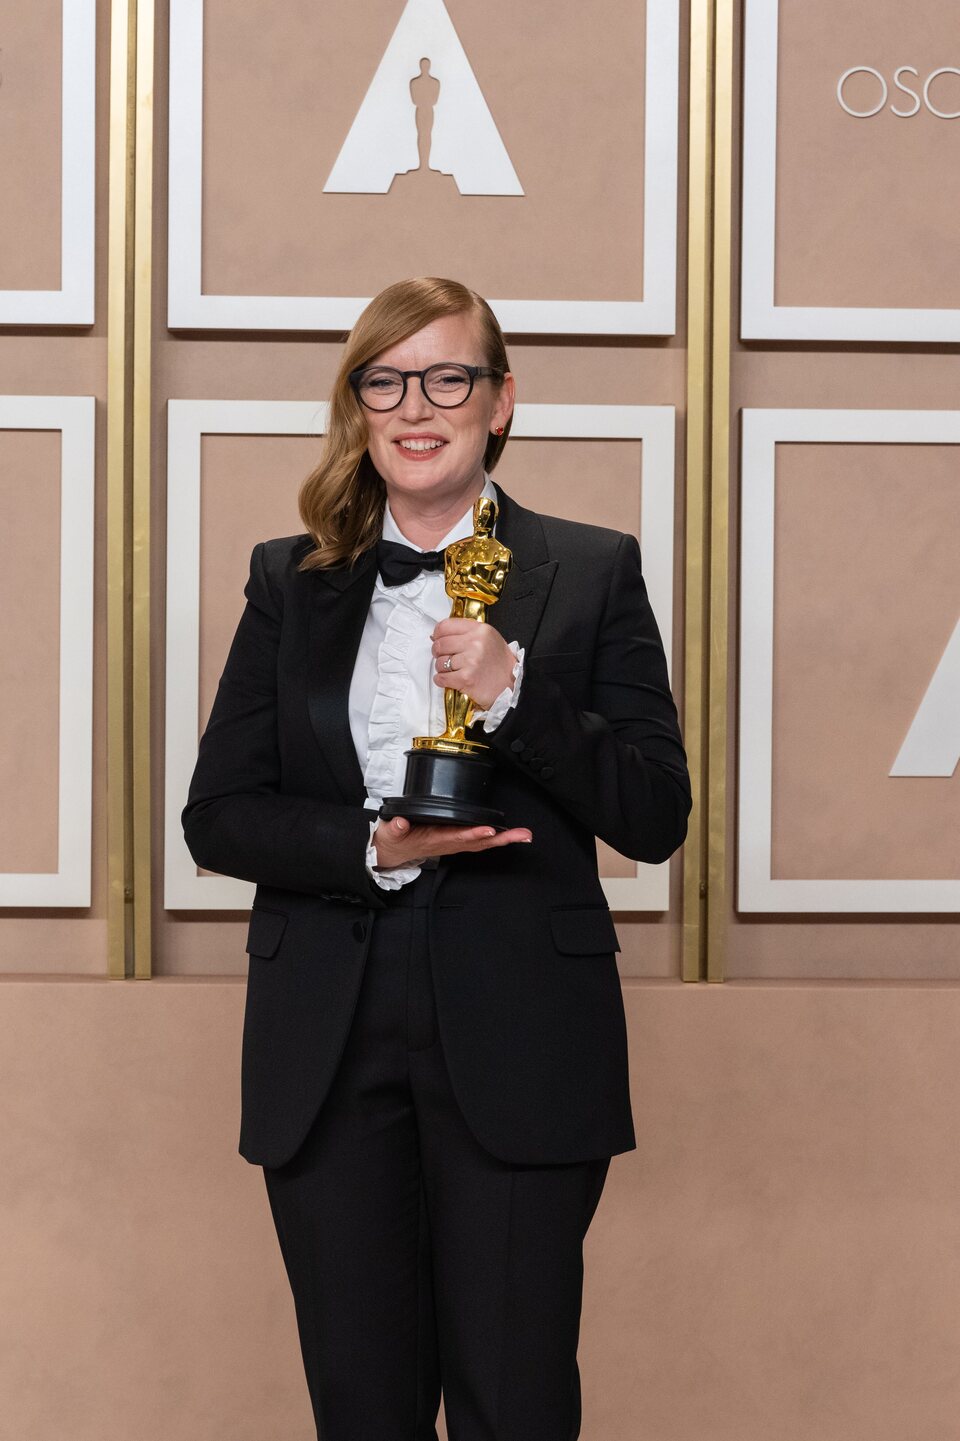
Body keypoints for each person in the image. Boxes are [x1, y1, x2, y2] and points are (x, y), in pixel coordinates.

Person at [181, 276, 691, 1441]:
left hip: (519, 1025)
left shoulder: (591, 567)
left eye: (449, 376)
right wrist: (370, 846)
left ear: (500, 402)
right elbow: (219, 814)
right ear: (359, 405)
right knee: (362, 1408)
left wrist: (518, 695)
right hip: (330, 1023)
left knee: (515, 1403)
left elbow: (655, 815)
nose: (418, 404)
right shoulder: (288, 579)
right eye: (386, 379)